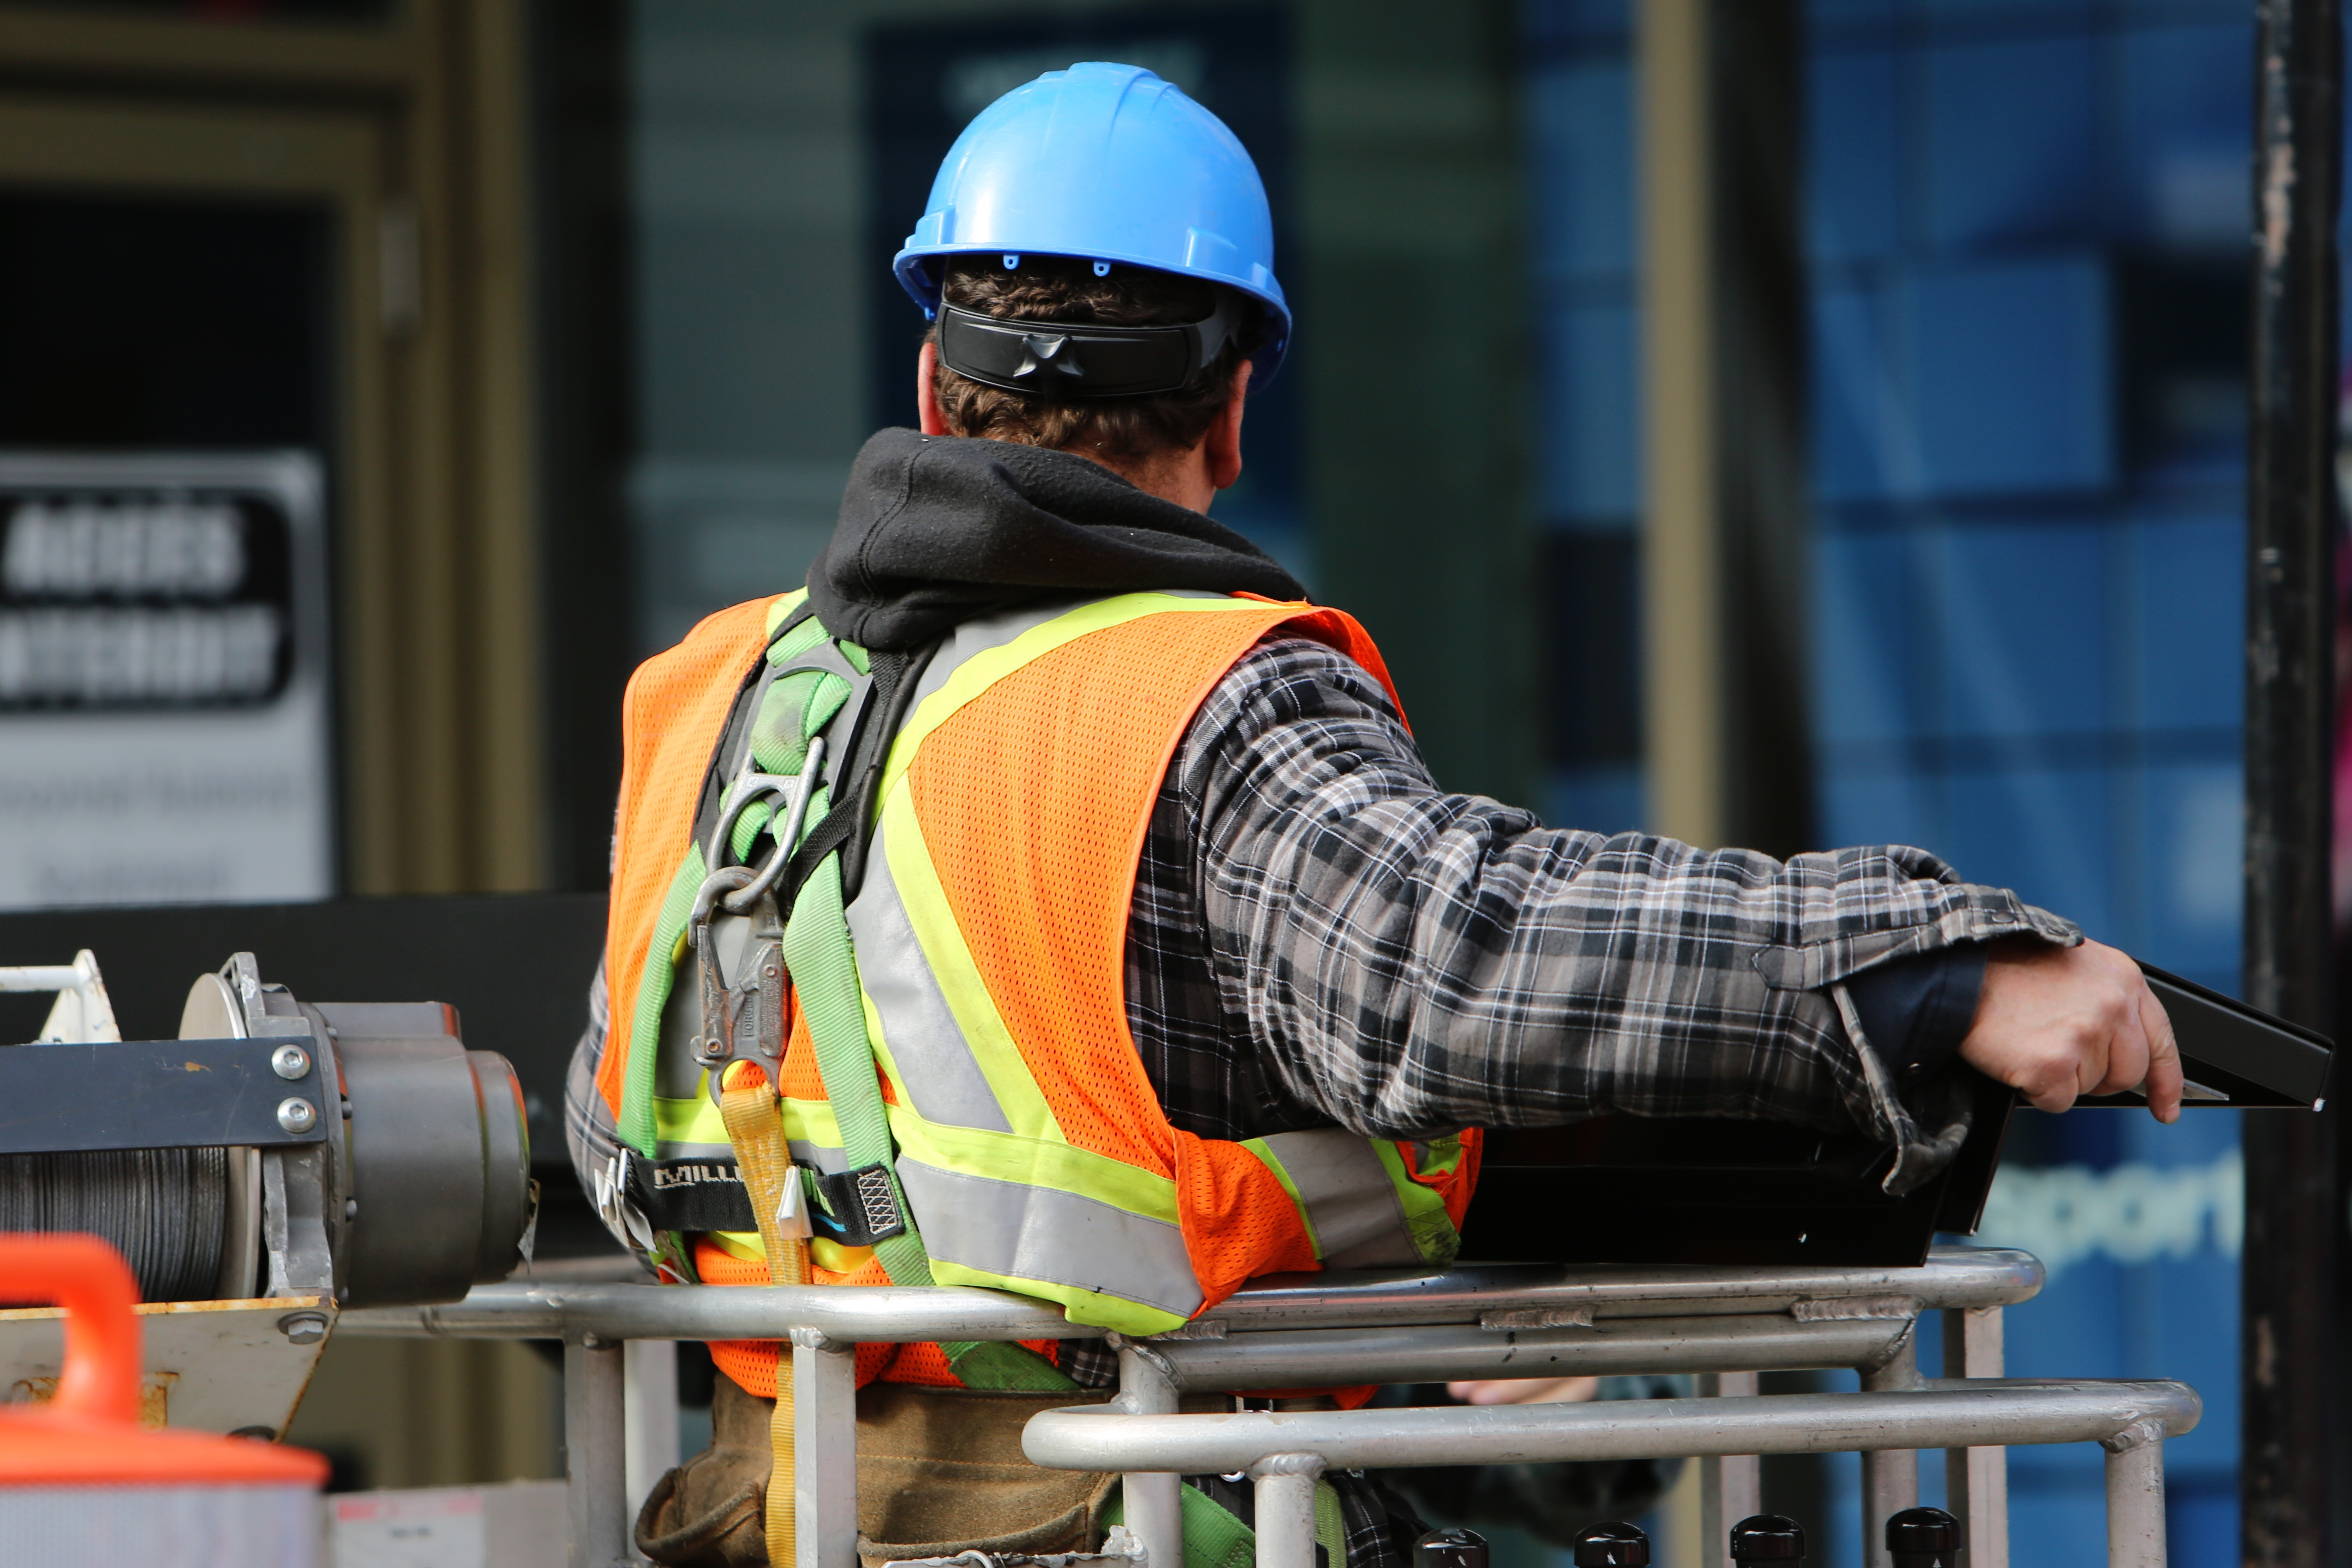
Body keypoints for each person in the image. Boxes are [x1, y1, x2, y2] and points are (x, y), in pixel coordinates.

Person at [566, 61, 2181, 1568]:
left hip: (785, 1513)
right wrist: (1936, 967)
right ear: (1234, 410)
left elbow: (615, 1121)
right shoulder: (1190, 698)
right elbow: (1453, 962)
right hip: (1128, 1517)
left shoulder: (709, 698)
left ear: (930, 378)